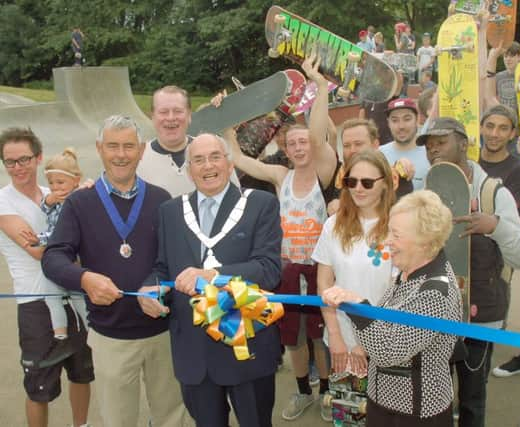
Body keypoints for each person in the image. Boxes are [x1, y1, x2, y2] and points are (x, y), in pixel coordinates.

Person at [41, 115, 191, 427]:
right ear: (99, 149)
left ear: (140, 150)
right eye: (112, 146)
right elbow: (53, 257)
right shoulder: (80, 203)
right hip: (110, 337)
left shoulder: (161, 199)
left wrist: (158, 285)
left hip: (162, 333)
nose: (120, 154)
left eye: (128, 146)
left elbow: (173, 259)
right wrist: (83, 278)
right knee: (117, 421)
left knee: (172, 418)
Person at [139, 132, 283, 427]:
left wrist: (215, 275)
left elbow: (268, 269)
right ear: (189, 170)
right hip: (194, 352)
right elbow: (162, 268)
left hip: (247, 346)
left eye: (215, 157)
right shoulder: (170, 212)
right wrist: (148, 290)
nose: (208, 166)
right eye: (199, 160)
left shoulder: (260, 204)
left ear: (230, 164)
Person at [224, 53, 336, 421]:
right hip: (289, 268)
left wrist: (319, 87)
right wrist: (228, 126)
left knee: (321, 334)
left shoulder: (323, 170)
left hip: (321, 269)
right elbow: (239, 159)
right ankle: (304, 390)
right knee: (294, 336)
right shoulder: (279, 176)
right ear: (286, 150)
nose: (301, 148)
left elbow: (319, 134)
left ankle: (328, 391)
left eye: (305, 142)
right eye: (294, 144)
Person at [417, 117, 520, 427]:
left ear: (464, 144)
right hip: (435, 315)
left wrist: (494, 226)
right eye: (429, 146)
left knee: (471, 401)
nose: (433, 150)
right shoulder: (424, 194)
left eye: (440, 143)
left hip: (479, 317)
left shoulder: (494, 193)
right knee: (432, 398)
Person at [322, 189, 462, 426]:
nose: (386, 241)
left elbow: (389, 350)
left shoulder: (435, 292)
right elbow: (387, 325)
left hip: (416, 411)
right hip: (386, 402)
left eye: (395, 235)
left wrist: (359, 307)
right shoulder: (409, 272)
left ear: (424, 240)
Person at [0, 127, 93, 427]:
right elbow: (39, 252)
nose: (17, 167)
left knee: (81, 372)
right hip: (36, 303)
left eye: (24, 159)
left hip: (72, 292)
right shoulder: (3, 202)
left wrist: (84, 195)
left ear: (38, 158)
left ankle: (81, 425)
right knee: (39, 387)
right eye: (9, 161)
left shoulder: (54, 190)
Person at [470, 106, 520, 378]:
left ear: (513, 133)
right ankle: (494, 333)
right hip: (484, 225)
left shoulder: (518, 168)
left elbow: (506, 211)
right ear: (480, 127)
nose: (494, 133)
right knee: (498, 280)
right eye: (489, 126)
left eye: (503, 128)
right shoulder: (471, 160)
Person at [313, 149, 396, 399]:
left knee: (383, 413)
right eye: (351, 182)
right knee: (349, 412)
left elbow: (396, 291)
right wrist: (336, 337)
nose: (358, 188)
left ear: (385, 185)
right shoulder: (333, 225)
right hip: (342, 342)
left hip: (386, 342)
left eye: (367, 182)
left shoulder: (397, 226)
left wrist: (367, 343)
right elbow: (324, 282)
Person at [19, 148, 89, 357]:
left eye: (60, 182)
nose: (54, 188)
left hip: (72, 256)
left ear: (75, 180)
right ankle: (60, 329)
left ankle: (90, 326)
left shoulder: (79, 199)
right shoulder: (52, 201)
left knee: (78, 295)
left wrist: (85, 187)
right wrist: (38, 238)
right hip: (55, 253)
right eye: (51, 183)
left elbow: (66, 233)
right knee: (52, 294)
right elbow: (50, 221)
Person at [137, 85, 239, 197]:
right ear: (153, 116)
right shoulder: (137, 159)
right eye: (163, 112)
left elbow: (235, 199)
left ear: (189, 115)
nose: (171, 118)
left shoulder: (214, 151)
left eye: (178, 111)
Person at [327, 118, 412, 215]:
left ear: (375, 145)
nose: (352, 150)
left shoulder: (397, 178)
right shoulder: (339, 178)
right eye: (346, 145)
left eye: (358, 144)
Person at [380, 98, 430, 190]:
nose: (401, 126)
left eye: (407, 119)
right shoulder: (379, 154)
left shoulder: (430, 153)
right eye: (395, 120)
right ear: (388, 123)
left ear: (417, 119)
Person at [486, 41, 520, 111]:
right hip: (504, 116)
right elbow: (490, 97)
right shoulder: (497, 77)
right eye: (505, 56)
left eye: (511, 56)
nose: (508, 59)